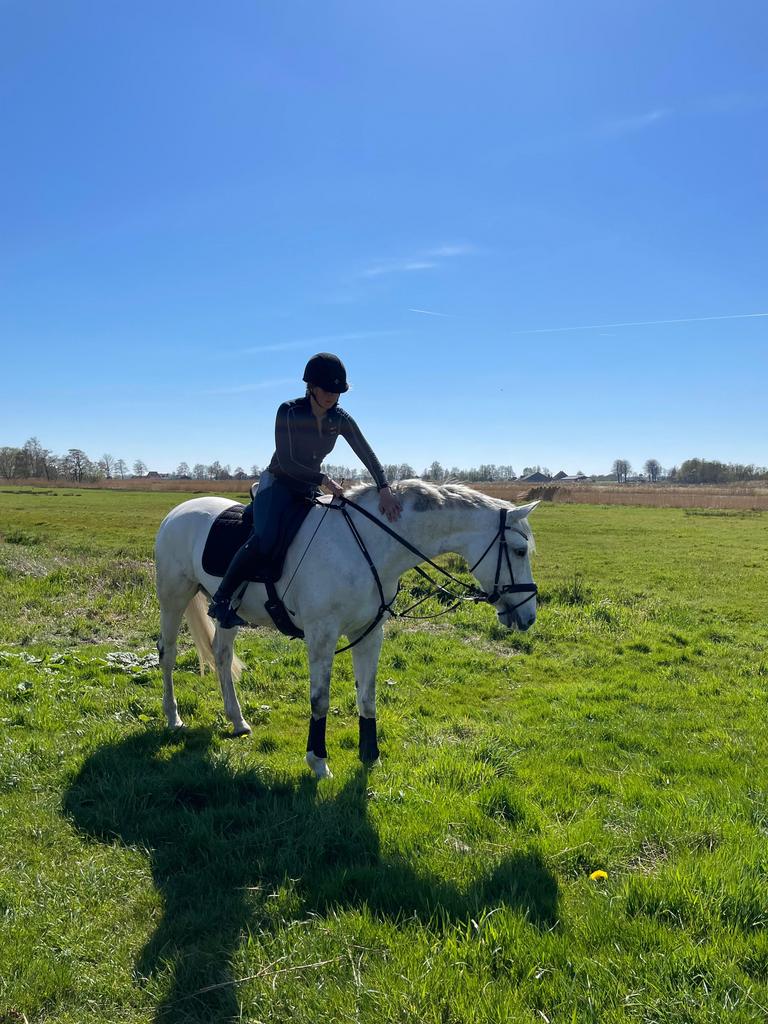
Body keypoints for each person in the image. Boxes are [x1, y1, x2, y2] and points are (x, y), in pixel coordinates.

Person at [208, 352, 402, 628]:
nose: (332, 396)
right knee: (266, 539)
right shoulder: (288, 411)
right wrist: (324, 479)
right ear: (311, 387)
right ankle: (221, 599)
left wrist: (384, 487)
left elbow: (366, 453)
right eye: (326, 389)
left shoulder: (340, 418)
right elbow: (287, 462)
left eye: (337, 391)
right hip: (278, 483)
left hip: (307, 487)